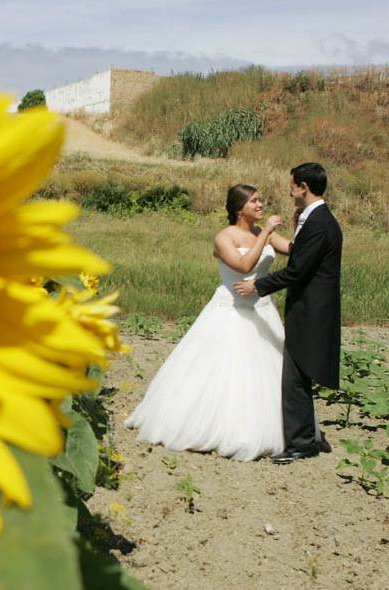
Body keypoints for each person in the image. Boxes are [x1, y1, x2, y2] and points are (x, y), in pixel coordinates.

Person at [125, 184, 292, 461]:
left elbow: (291, 248)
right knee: (224, 370)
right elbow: (243, 267)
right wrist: (266, 232)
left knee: (267, 372)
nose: (261, 205)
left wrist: (307, 224)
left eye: (261, 200)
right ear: (240, 208)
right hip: (231, 310)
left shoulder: (260, 233)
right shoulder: (224, 237)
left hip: (262, 309)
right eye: (254, 201)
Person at [234, 163, 342, 464]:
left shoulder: (319, 222)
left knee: (295, 378)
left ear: (304, 187)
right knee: (299, 376)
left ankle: (301, 444)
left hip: (312, 311)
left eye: (292, 185)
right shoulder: (316, 219)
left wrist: (258, 285)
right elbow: (302, 256)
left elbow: (297, 271)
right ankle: (304, 437)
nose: (289, 190)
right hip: (310, 309)